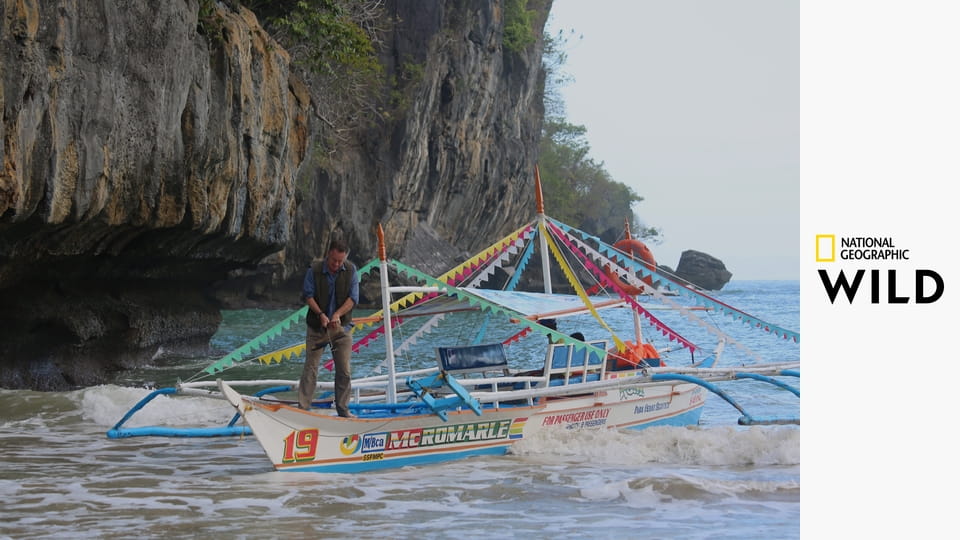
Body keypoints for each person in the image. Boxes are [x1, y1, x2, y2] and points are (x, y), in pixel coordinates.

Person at [298, 239, 359, 417]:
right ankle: (302, 410)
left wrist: (337, 315)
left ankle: (343, 410)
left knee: (344, 370)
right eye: (334, 260)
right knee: (310, 369)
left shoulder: (351, 270)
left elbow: (353, 298)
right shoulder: (314, 270)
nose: (337, 264)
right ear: (328, 255)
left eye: (341, 261)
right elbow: (308, 295)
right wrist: (321, 315)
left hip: (342, 330)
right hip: (317, 328)